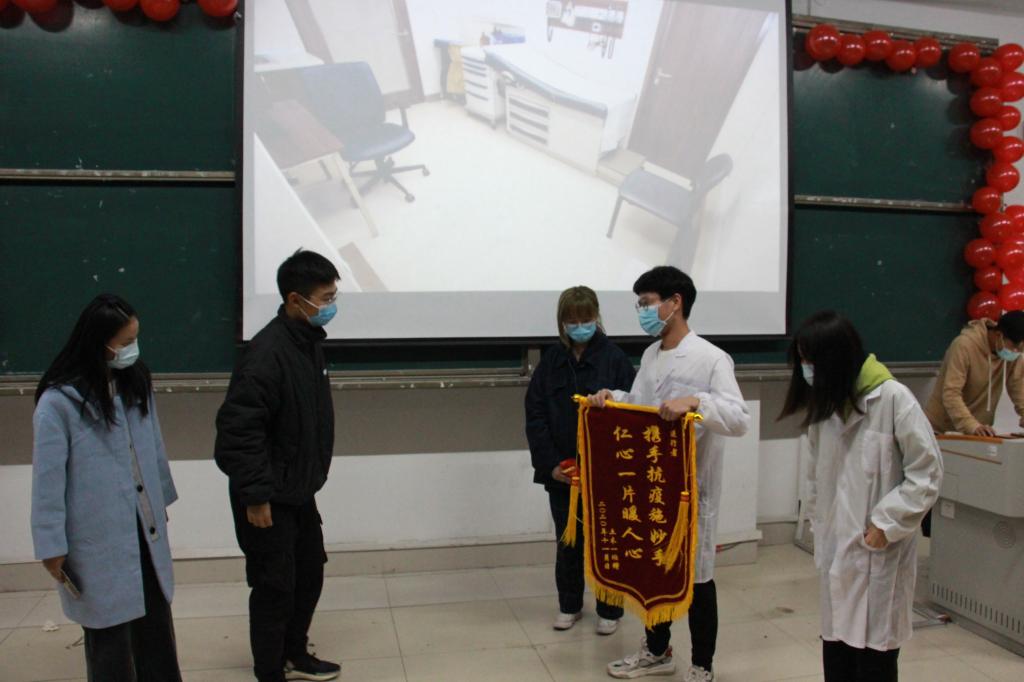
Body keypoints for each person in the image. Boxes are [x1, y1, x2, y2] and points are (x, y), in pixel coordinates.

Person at [588, 266, 750, 681]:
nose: (642, 312)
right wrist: (612, 398)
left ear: (675, 302)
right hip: (653, 485)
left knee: (697, 579)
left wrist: (696, 402)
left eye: (647, 303)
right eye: (639, 304)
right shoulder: (650, 355)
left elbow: (738, 418)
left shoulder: (711, 358)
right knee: (654, 571)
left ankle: (702, 666)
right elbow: (642, 405)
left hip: (693, 492)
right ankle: (657, 651)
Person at [779, 311, 943, 682]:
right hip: (838, 553)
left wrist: (887, 523)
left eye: (810, 361)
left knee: (874, 661)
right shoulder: (825, 405)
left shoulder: (894, 400)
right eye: (802, 361)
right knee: (836, 655)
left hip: (879, 554)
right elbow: (816, 475)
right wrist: (819, 522)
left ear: (836, 360)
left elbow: (927, 473)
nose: (806, 370)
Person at [31, 294, 182, 682]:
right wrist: (51, 546)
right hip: (97, 537)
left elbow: (154, 448)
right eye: (125, 342)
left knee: (155, 626)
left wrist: (161, 502)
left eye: (135, 338)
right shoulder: (59, 402)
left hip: (144, 528)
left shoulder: (135, 382)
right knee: (109, 636)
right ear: (99, 343)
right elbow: (47, 481)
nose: (133, 348)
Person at [214, 250, 341, 682]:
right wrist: (256, 495)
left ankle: (294, 653)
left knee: (309, 573)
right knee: (274, 586)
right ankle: (269, 671)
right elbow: (238, 432)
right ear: (294, 300)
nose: (331, 305)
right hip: (267, 495)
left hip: (298, 488)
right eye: (325, 298)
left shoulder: (307, 343)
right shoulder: (266, 354)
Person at [525, 286, 636, 635]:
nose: (579, 327)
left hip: (607, 471)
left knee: (608, 541)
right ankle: (569, 605)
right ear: (562, 322)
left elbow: (634, 411)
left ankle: (610, 608)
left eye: (586, 319)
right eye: (572, 321)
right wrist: (551, 464)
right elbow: (535, 414)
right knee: (568, 542)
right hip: (563, 472)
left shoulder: (614, 359)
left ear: (596, 317)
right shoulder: (551, 361)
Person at [923, 310, 1024, 438]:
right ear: (999, 335)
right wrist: (971, 425)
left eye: (1022, 349)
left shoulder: (1012, 353)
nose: (1017, 352)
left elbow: (1018, 386)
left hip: (976, 433)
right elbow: (951, 393)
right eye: (1015, 347)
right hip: (941, 429)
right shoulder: (964, 345)